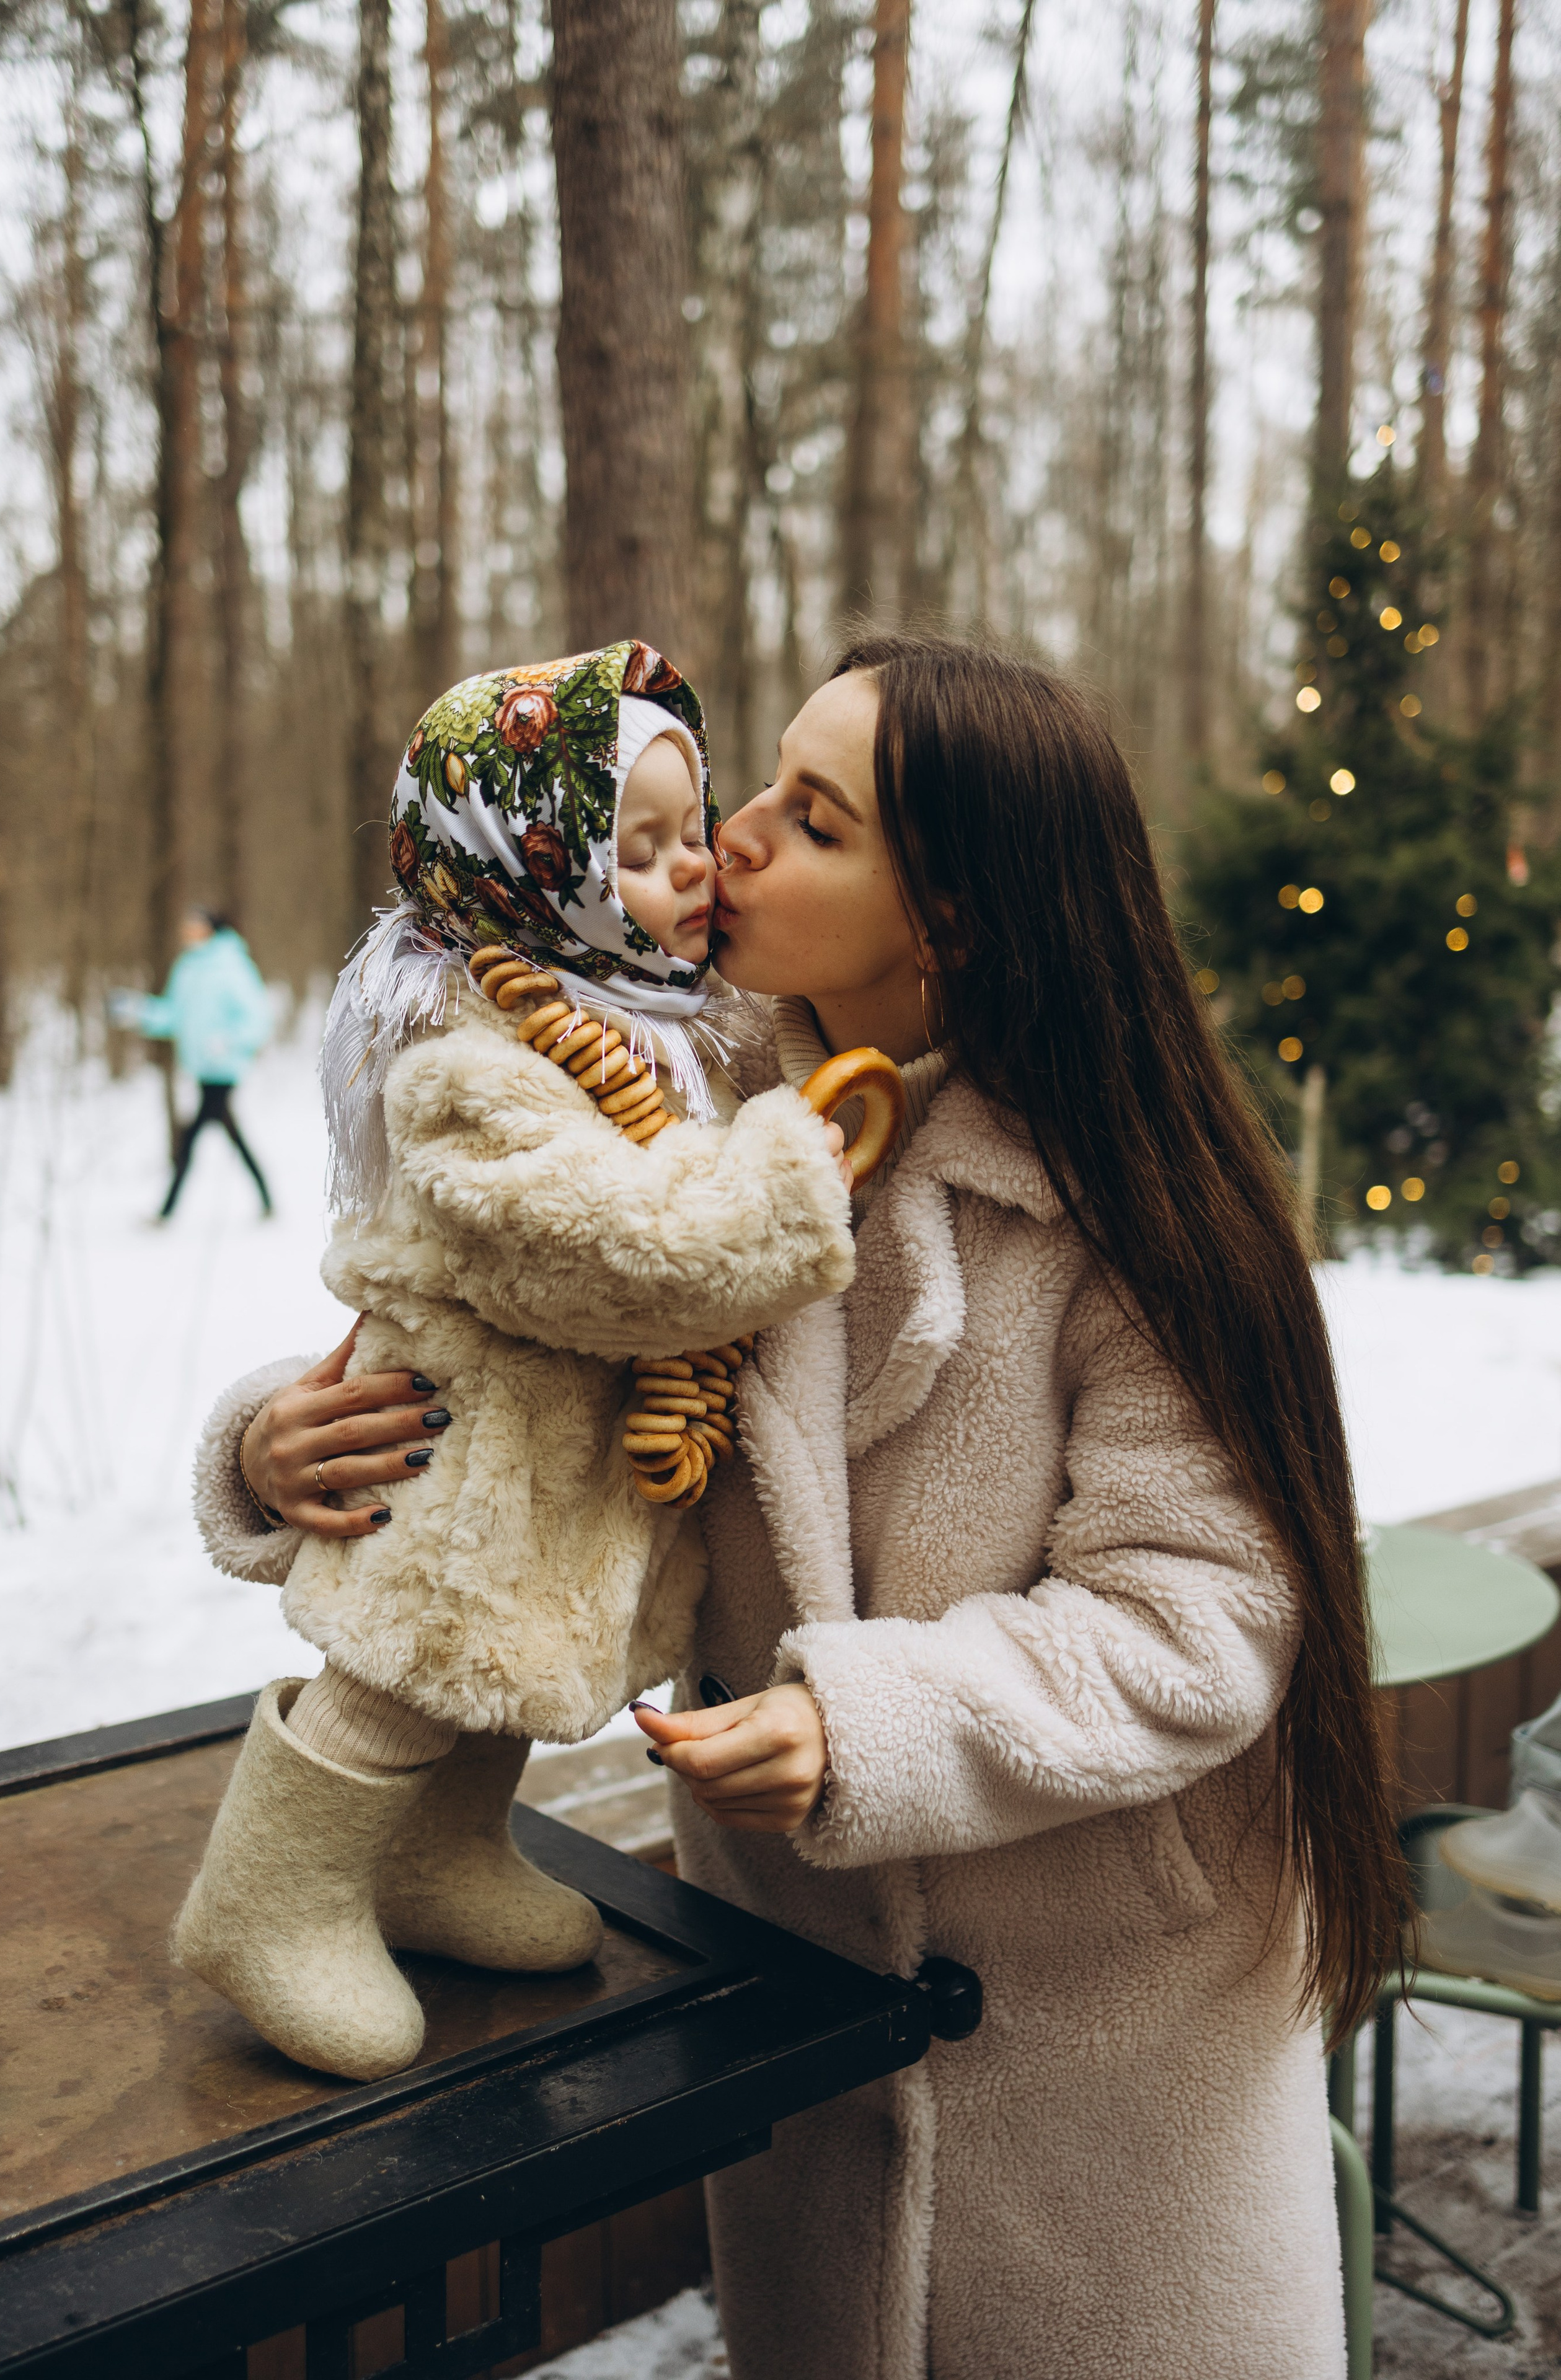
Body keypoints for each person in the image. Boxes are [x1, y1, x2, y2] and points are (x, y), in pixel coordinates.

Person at [195, 633, 1404, 2379]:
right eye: (758, 786)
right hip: (813, 2021)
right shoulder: (677, 1092)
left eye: (813, 823)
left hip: (1105, 2073)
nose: (737, 837)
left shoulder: (1135, 1213)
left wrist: (867, 1726)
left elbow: (1195, 1616)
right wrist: (270, 1445)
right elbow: (484, 1339)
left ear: (956, 922)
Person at [173, 641, 856, 2083]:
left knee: (491, 1664)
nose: (694, 868)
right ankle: (269, 1899)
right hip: (450, 1457)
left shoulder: (671, 1026)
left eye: (693, 827)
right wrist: (784, 1174)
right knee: (404, 1666)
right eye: (644, 845)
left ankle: (436, 1854)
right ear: (532, 869)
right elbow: (599, 1252)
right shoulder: (463, 1058)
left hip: (554, 1472)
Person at [112, 908, 274, 1219]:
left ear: (211, 930)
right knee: (231, 1137)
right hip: (201, 1069)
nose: (189, 935)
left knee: (190, 1140)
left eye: (195, 929)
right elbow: (172, 1015)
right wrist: (136, 1010)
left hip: (224, 1070)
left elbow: (258, 1019)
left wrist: (227, 1040)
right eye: (186, 929)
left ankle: (166, 1212)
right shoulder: (186, 968)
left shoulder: (233, 967)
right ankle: (267, 1201)